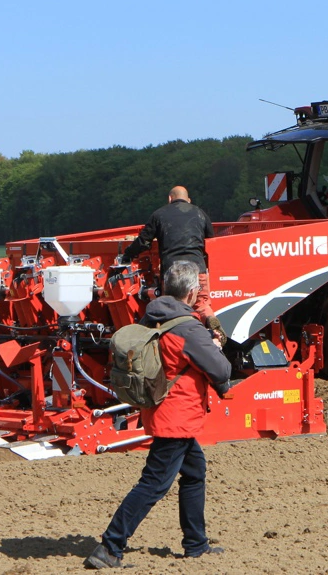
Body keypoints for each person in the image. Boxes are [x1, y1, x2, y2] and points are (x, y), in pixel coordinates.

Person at [85, 261, 233, 569]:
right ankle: (110, 547)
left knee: (194, 471)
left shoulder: (152, 316)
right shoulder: (188, 328)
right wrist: (215, 344)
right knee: (153, 483)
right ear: (191, 293)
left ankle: (196, 544)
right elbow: (221, 370)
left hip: (159, 408)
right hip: (176, 417)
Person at [121, 186, 217, 325]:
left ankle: (176, 333)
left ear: (170, 198)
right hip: (197, 269)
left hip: (172, 271)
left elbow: (144, 242)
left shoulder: (159, 214)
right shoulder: (200, 213)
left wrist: (128, 255)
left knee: (172, 307)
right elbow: (211, 240)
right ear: (188, 200)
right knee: (202, 303)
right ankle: (210, 321)